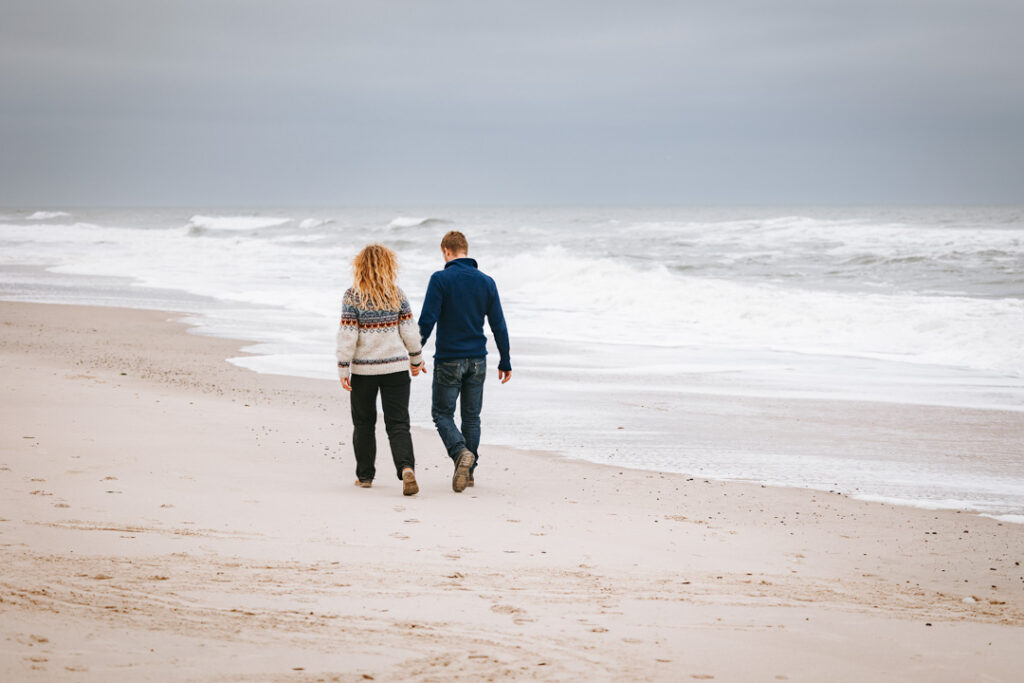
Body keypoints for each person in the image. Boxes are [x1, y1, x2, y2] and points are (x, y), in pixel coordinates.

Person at [418, 231, 511, 493]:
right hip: (478, 361)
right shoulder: (487, 282)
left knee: (442, 414)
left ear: (447, 251)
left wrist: (415, 353)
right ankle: (468, 474)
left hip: (449, 359)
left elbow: (427, 320)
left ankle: (460, 453)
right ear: (465, 250)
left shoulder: (440, 279)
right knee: (471, 418)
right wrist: (505, 360)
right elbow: (499, 326)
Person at [336, 244, 425, 496]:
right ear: (389, 265)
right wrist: (416, 359)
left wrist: (343, 367)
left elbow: (347, 335)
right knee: (398, 423)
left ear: (360, 266)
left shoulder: (352, 296)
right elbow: (409, 331)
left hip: (364, 372)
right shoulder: (397, 294)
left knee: (363, 423)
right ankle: (406, 468)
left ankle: (365, 476)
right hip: (396, 368)